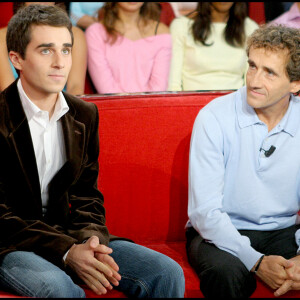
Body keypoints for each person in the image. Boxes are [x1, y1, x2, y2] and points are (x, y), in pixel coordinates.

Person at [0, 4, 185, 298]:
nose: (60, 62)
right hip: (13, 244)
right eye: (46, 50)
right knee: (59, 289)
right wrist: (66, 251)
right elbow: (1, 215)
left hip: (72, 236)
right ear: (17, 58)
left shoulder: (84, 114)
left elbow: (87, 196)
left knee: (166, 272)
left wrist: (91, 244)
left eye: (66, 50)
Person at [186, 24, 300, 298]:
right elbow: (205, 213)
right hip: (217, 232)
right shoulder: (213, 117)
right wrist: (256, 262)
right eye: (252, 66)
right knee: (226, 273)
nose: (254, 80)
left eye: (269, 72)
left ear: (295, 84)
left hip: (283, 230)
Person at [0, 2, 87, 95]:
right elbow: (8, 91)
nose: (60, 64)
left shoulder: (75, 34)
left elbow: (75, 87)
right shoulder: (2, 37)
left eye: (65, 51)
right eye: (45, 51)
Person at [168, 2, 259, 92]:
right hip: (193, 103)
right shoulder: (181, 26)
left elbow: (251, 81)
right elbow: (173, 84)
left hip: (235, 103)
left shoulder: (249, 28)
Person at [85, 2, 171, 94]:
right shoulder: (95, 33)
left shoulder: (162, 32)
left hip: (152, 105)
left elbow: (158, 88)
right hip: (111, 106)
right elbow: (106, 90)